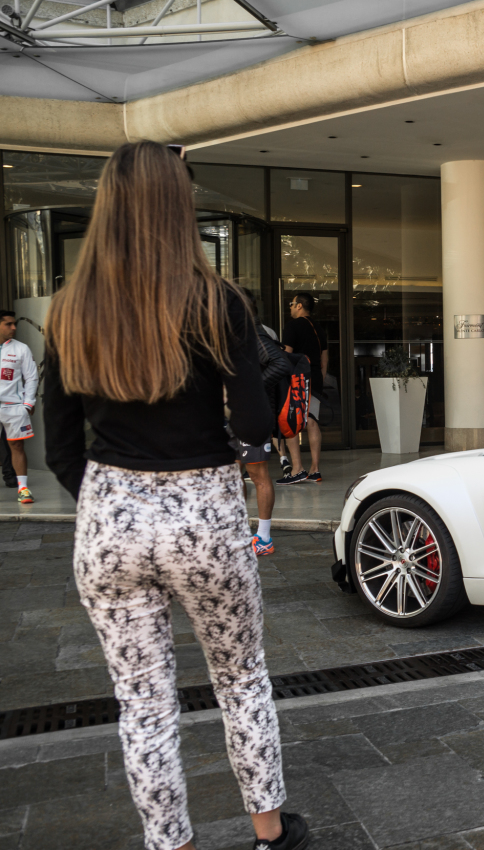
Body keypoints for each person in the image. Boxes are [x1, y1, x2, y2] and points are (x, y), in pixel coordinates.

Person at [42, 141, 308, 850]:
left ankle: (174, 844)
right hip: (205, 518)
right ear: (176, 207)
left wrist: (110, 499)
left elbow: (60, 447)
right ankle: (269, 833)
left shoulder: (70, 310)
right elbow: (253, 427)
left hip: (110, 522)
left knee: (143, 704)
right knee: (242, 678)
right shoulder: (218, 303)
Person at [234, 290, 292, 556]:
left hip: (252, 415)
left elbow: (281, 363)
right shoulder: (236, 332)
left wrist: (251, 389)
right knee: (232, 476)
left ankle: (264, 538)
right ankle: (237, 530)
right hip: (233, 415)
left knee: (257, 476)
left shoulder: (255, 332)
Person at [279, 292, 326, 484]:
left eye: (292, 304)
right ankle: (315, 469)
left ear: (299, 306)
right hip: (314, 378)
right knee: (312, 421)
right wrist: (318, 380)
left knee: (292, 422)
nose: (290, 307)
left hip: (297, 379)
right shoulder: (319, 328)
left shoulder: (292, 326)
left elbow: (286, 356)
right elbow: (324, 359)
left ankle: (297, 469)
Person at [0, 311, 38, 503]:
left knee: (17, 445)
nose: (14, 328)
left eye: (14, 324)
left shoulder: (21, 348)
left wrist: (28, 403)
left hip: (13, 406)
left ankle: (23, 488)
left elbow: (31, 377)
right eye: (8, 324)